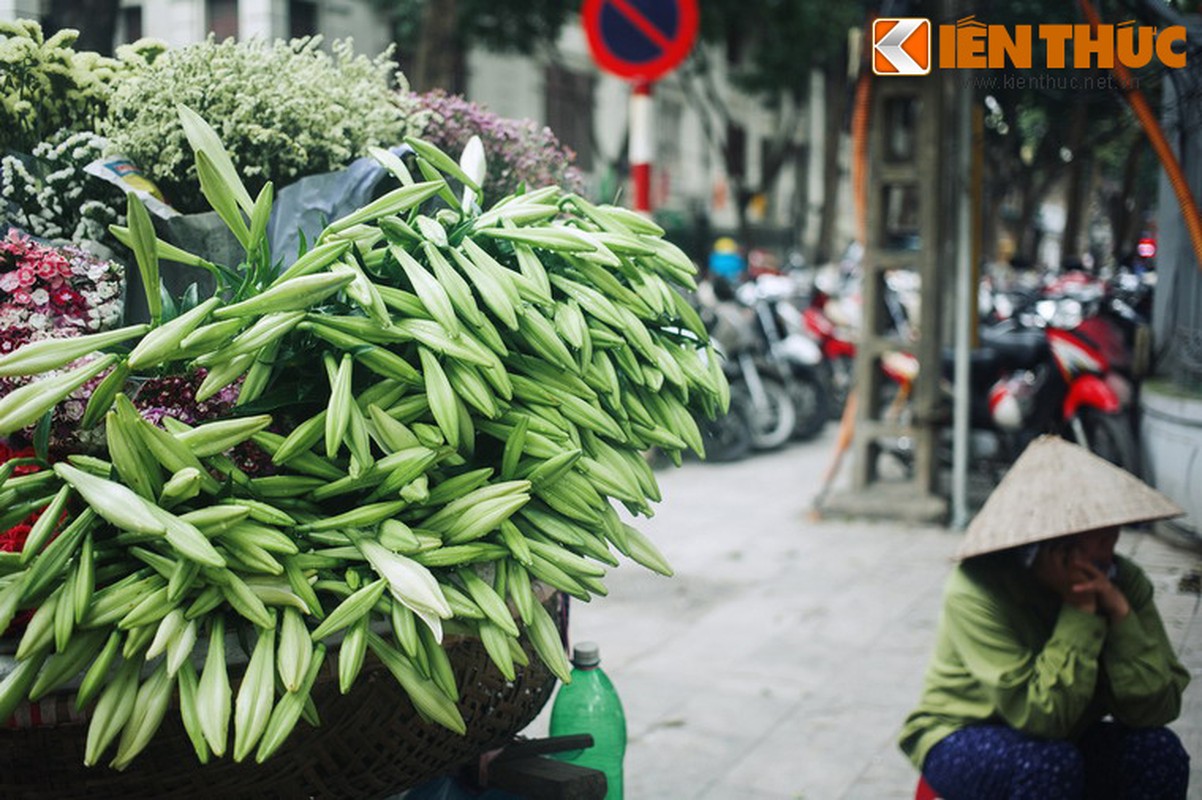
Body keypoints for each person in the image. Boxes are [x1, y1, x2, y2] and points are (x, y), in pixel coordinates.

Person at [899, 436, 1191, 799]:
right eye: (1095, 532)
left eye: (1112, 525)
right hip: (961, 734)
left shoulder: (1123, 581)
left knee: (1157, 749)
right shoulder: (976, 590)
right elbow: (1043, 718)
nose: (1111, 540)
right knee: (1048, 763)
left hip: (1068, 735)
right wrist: (1080, 612)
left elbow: (1157, 709)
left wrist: (1120, 615)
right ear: (1052, 542)